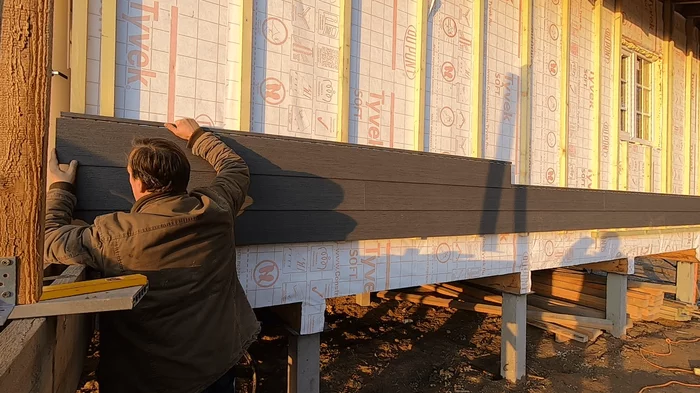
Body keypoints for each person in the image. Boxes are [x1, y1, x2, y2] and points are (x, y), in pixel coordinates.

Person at [44, 118, 260, 393]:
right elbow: (235, 168)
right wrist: (197, 136)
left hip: (152, 380)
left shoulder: (112, 235)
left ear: (138, 182)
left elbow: (50, 239)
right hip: (215, 367)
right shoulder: (215, 207)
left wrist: (60, 189)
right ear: (183, 178)